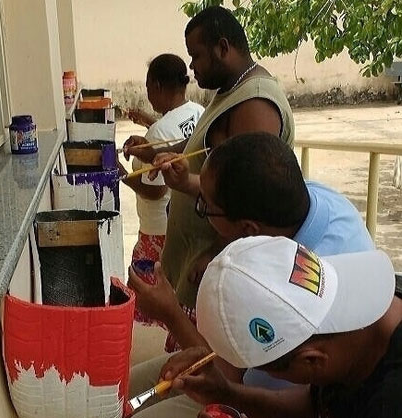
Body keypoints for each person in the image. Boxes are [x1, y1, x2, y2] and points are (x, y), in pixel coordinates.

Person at [128, 132, 374, 417]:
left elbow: (228, 375)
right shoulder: (302, 199)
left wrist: (170, 313)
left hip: (259, 398)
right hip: (239, 374)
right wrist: (185, 183)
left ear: (248, 230)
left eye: (205, 206)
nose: (201, 209)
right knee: (123, 387)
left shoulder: (305, 281)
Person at [124, 5, 294, 352]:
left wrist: (215, 254)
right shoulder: (228, 92)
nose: (192, 67)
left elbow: (248, 197)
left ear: (222, 47)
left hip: (214, 265)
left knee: (202, 371)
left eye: (196, 56)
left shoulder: (255, 103)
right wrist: (154, 152)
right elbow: (196, 146)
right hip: (197, 260)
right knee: (183, 365)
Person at [162, 235, 402, 418]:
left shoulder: (388, 402)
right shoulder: (354, 341)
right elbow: (313, 404)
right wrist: (225, 393)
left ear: (311, 361)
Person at [120, 53, 204, 325]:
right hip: (184, 220)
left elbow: (153, 190)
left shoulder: (158, 132)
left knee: (146, 294)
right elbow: (179, 139)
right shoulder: (198, 113)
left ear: (156, 86)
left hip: (156, 229)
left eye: (147, 88)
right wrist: (148, 123)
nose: (148, 95)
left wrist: (120, 174)